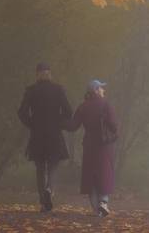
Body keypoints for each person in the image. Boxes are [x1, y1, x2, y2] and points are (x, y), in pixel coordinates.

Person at [16, 62, 72, 212]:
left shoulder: (31, 91)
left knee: (40, 168)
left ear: (37, 74)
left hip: (37, 135)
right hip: (54, 134)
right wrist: (58, 121)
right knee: (53, 165)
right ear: (50, 73)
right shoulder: (58, 90)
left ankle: (43, 202)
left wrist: (32, 124)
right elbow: (68, 111)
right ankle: (49, 189)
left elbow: (21, 112)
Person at [68, 79, 119, 217]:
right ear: (96, 90)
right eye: (101, 88)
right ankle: (103, 202)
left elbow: (72, 126)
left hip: (89, 145)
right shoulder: (106, 105)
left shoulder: (83, 106)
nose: (104, 90)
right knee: (105, 174)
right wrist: (114, 133)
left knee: (91, 178)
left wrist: (60, 118)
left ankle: (97, 209)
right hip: (104, 145)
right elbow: (114, 125)